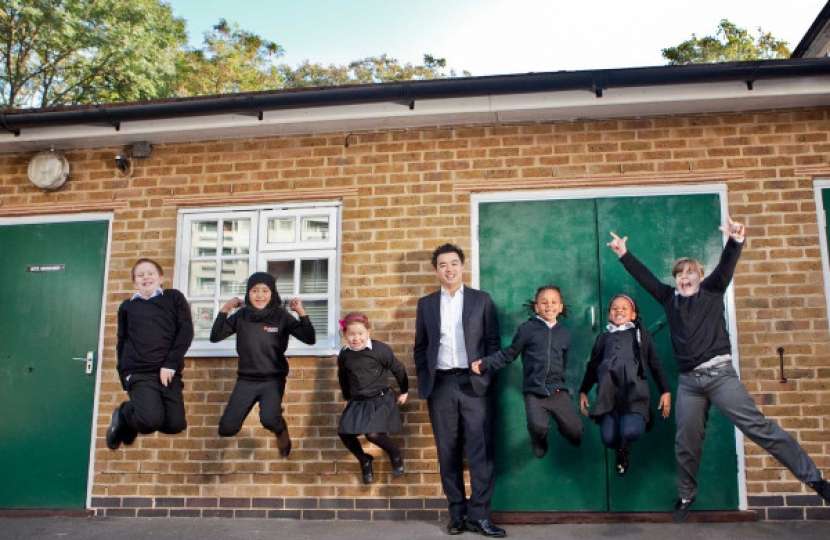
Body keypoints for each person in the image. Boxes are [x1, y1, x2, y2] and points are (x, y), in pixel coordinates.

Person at [607, 218, 830, 523]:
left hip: (720, 376)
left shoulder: (712, 291)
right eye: (680, 275)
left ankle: (816, 481)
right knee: (686, 442)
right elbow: (645, 277)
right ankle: (686, 495)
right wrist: (623, 254)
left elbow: (726, 265)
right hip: (689, 383)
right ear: (675, 280)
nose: (685, 278)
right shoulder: (668, 299)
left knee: (759, 428)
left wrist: (736, 240)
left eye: (691, 273)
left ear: (700, 277)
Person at [414, 243, 506, 538]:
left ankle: (479, 515)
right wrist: (426, 375)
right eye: (443, 265)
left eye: (454, 263)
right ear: (436, 270)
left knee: (479, 449)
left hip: (474, 383)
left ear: (462, 266)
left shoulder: (482, 300)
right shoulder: (426, 304)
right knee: (448, 451)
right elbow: (420, 347)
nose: (449, 269)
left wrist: (486, 374)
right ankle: (457, 513)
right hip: (440, 384)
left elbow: (493, 343)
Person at [471, 285, 584, 460]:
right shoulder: (527, 329)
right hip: (534, 391)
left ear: (561, 307)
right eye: (544, 302)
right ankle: (539, 439)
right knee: (538, 426)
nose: (549, 306)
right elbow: (509, 354)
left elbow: (564, 362)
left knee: (576, 431)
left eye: (554, 302)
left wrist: (561, 384)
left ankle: (567, 428)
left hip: (557, 391)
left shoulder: (564, 334)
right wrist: (485, 363)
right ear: (536, 307)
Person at [209, 271, 315, 457]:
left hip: (272, 380)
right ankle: (272, 415)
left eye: (265, 290)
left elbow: (309, 339)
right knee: (227, 428)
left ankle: (281, 430)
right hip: (246, 381)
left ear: (272, 293)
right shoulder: (241, 316)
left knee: (269, 419)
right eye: (254, 290)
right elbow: (215, 337)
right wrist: (226, 308)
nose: (259, 295)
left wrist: (301, 313)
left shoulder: (281, 316)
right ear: (248, 294)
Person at [578, 294, 671, 477]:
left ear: (633, 315)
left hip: (634, 394)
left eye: (624, 308)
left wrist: (665, 390)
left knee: (630, 431)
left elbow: (655, 363)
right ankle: (619, 447)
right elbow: (592, 366)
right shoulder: (603, 338)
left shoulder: (641, 335)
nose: (619, 310)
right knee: (608, 438)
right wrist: (583, 390)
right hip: (608, 396)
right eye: (614, 308)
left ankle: (630, 437)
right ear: (609, 314)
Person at [107, 258, 194, 450]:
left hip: (168, 372)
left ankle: (129, 420)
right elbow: (122, 342)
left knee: (175, 425)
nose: (145, 277)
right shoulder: (127, 307)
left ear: (161, 278)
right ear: (134, 282)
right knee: (149, 421)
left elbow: (185, 332)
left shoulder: (173, 298)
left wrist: (170, 364)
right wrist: (124, 375)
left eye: (150, 273)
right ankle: (124, 413)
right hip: (139, 372)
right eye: (140, 275)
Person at [336, 312, 409, 484]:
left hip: (380, 399)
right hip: (358, 400)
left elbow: (398, 369)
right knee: (344, 432)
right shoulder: (345, 355)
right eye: (351, 334)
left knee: (373, 435)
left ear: (368, 331)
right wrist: (347, 398)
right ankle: (364, 460)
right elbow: (343, 378)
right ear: (345, 335)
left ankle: (395, 454)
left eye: (360, 333)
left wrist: (404, 391)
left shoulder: (380, 350)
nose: (356, 338)